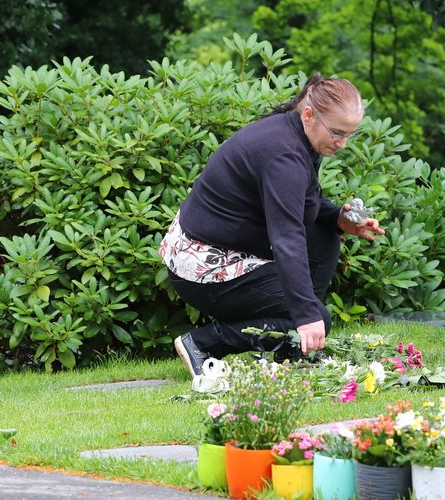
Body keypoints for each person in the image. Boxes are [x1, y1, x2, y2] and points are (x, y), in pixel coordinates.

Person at [159, 74, 385, 377]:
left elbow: (301, 202)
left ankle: (292, 346)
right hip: (202, 267)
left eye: (349, 135)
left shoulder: (295, 133)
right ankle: (204, 344)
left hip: (227, 246)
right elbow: (287, 237)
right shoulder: (284, 154)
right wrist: (306, 316)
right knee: (315, 317)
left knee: (325, 237)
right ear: (309, 114)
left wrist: (338, 219)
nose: (342, 144)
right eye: (337, 133)